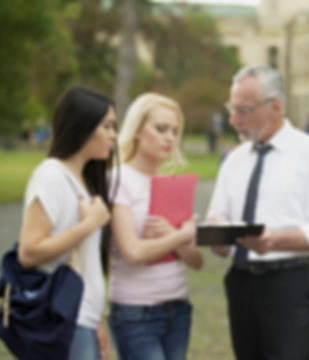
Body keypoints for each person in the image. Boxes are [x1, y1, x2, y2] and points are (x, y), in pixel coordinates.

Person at [207, 65, 309, 360]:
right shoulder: (233, 160)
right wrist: (214, 232)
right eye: (232, 109)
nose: (233, 119)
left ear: (276, 106)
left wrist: (273, 241)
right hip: (240, 282)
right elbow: (217, 216)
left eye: (242, 110)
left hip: (289, 285)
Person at [17, 86, 117, 359]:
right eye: (106, 126)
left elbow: (88, 264)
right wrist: (89, 225)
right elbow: (29, 252)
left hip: (83, 319)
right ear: (82, 126)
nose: (113, 135)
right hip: (65, 319)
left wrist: (98, 319)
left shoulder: (82, 181)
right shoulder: (51, 176)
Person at [108, 93, 203, 359]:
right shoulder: (118, 179)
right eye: (160, 129)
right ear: (137, 130)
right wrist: (182, 235)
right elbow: (133, 253)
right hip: (136, 311)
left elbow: (196, 261)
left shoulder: (173, 185)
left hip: (178, 306)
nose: (170, 138)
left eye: (175, 131)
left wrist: (175, 236)